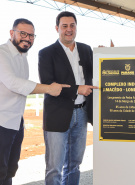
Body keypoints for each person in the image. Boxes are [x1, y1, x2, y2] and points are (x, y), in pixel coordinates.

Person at [0, 18, 70, 185]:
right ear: (12, 33)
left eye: (31, 35)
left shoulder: (22, 56)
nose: (27, 38)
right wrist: (48, 88)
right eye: (23, 33)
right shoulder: (2, 53)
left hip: (16, 122)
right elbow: (13, 83)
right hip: (2, 122)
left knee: (9, 169)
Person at [38, 11, 98, 185]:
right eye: (64, 26)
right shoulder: (46, 53)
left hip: (82, 114)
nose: (69, 29)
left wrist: (105, 57)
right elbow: (48, 84)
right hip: (57, 115)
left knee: (74, 164)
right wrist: (78, 89)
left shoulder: (87, 50)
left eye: (72, 25)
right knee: (54, 167)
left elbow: (99, 73)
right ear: (57, 28)